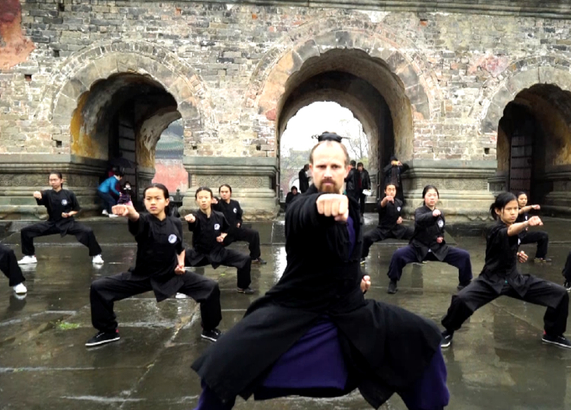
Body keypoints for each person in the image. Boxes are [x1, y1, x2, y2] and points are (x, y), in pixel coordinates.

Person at [190, 132, 448, 410]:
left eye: (335, 166)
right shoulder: (300, 205)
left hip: (349, 309)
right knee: (220, 366)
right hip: (297, 307)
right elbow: (304, 215)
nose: (328, 172)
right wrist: (320, 206)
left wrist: (356, 279)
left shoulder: (354, 210)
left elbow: (345, 257)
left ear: (347, 171)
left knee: (424, 338)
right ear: (311, 170)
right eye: (321, 166)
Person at [86, 183, 222, 347]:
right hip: (143, 275)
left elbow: (180, 248)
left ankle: (209, 329)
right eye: (148, 199)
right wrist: (130, 212)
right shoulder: (144, 220)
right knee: (99, 288)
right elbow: (136, 218)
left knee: (210, 287)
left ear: (166, 201)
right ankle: (108, 331)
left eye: (157, 198)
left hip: (171, 274)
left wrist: (180, 264)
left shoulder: (175, 223)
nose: (152, 202)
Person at [440, 192, 571, 349]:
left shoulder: (516, 227)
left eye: (516, 209)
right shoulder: (494, 228)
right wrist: (527, 223)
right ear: (498, 211)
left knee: (559, 294)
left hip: (513, 280)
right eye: (509, 209)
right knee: (461, 300)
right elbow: (509, 232)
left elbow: (507, 244)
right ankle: (447, 332)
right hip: (490, 280)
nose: (513, 213)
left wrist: (516, 254)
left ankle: (552, 334)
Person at [385, 185, 472, 294]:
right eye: (429, 195)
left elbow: (441, 229)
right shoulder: (419, 211)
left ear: (437, 198)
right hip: (419, 247)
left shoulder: (440, 214)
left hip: (437, 248)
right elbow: (420, 220)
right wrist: (432, 215)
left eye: (434, 195)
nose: (432, 197)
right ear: (424, 197)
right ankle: (393, 282)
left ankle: (464, 283)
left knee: (464, 255)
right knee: (398, 254)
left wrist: (440, 237)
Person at [18, 172, 104, 266]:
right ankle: (30, 256)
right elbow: (41, 195)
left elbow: (76, 209)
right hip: (52, 223)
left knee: (87, 231)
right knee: (26, 231)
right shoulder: (47, 193)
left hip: (68, 223)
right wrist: (37, 195)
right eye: (51, 180)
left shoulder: (69, 194)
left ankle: (96, 254)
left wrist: (69, 214)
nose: (52, 182)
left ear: (61, 180)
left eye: (55, 180)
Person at [185, 187, 255, 294]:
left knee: (244, 259)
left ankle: (243, 287)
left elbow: (227, 229)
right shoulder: (196, 217)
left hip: (218, 252)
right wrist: (192, 221)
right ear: (196, 200)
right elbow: (194, 224)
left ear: (211, 199)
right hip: (199, 254)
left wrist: (223, 235)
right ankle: (168, 284)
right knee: (173, 260)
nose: (203, 200)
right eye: (200, 198)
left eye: (206, 197)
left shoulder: (219, 216)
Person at [212, 184, 266, 265]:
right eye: (222, 192)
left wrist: (239, 223)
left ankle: (254, 257)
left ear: (230, 193)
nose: (224, 194)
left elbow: (239, 217)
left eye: (226, 192)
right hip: (224, 233)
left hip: (235, 230)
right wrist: (215, 203)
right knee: (214, 245)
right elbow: (216, 208)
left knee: (254, 234)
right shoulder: (218, 204)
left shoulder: (235, 203)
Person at [360, 183, 413, 264]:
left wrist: (400, 218)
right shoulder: (382, 202)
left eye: (393, 190)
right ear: (385, 191)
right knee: (366, 237)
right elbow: (381, 206)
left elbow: (399, 214)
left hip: (396, 229)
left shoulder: (399, 202)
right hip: (383, 229)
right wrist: (386, 199)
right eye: (389, 189)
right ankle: (362, 257)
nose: (391, 192)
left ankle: (415, 254)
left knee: (415, 233)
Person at [516, 191, 551, 263]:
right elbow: (521, 211)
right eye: (521, 199)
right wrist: (531, 206)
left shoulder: (526, 211)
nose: (524, 201)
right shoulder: (515, 210)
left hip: (524, 235)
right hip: (515, 236)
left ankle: (540, 257)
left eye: (525, 199)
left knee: (543, 235)